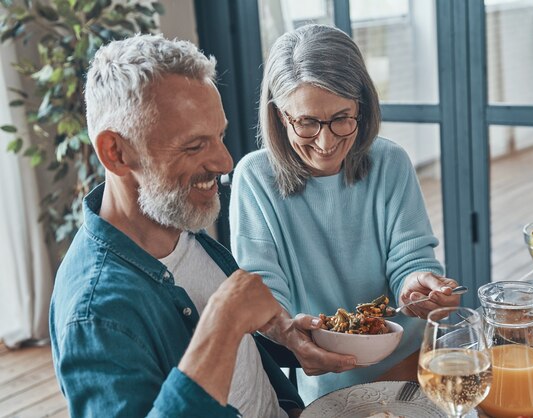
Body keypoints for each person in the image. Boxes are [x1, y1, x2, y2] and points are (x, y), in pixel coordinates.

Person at [49, 34, 303, 417]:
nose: (225, 161)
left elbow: (237, 368)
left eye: (219, 135)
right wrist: (224, 323)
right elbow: (218, 336)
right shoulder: (95, 315)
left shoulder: (175, 220)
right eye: (194, 145)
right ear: (116, 153)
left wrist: (286, 337)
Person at [229, 24, 460, 404]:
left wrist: (416, 283)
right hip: (328, 383)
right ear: (279, 115)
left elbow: (410, 259)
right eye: (305, 122)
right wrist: (288, 333)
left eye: (341, 118)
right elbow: (263, 290)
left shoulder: (391, 162)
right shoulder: (254, 178)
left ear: (362, 107)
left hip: (414, 367)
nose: (325, 142)